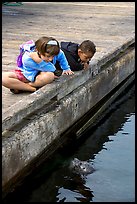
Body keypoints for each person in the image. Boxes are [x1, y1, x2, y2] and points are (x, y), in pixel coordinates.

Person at [2, 36, 74, 94]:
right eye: (48, 56)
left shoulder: (55, 52)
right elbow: (51, 68)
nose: (51, 59)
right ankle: (30, 88)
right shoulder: (27, 58)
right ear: (38, 51)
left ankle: (21, 87)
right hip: (27, 75)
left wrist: (66, 68)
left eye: (53, 56)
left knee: (50, 76)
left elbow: (61, 56)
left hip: (40, 76)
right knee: (3, 78)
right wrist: (39, 61)